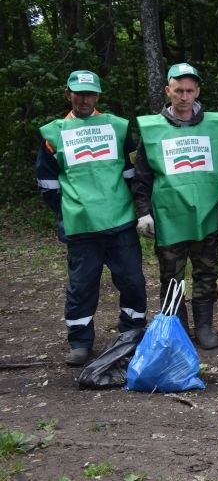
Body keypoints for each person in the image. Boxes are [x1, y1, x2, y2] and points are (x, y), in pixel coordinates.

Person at [36, 70, 147, 366]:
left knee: (133, 281)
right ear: (67, 93)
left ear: (97, 96)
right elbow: (47, 183)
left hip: (120, 223)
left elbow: (129, 174)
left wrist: (135, 209)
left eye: (90, 94)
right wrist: (68, 209)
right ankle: (80, 342)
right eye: (78, 93)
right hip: (81, 226)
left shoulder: (118, 127)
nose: (84, 99)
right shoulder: (53, 133)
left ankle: (132, 333)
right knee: (82, 286)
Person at [132, 63, 218, 350]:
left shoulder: (216, 126)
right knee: (171, 277)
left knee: (207, 272)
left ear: (197, 91)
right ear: (168, 91)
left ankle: (205, 325)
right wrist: (143, 212)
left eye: (189, 91)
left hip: (208, 215)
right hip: (169, 217)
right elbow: (141, 176)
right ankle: (178, 326)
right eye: (178, 91)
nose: (184, 97)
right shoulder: (152, 130)